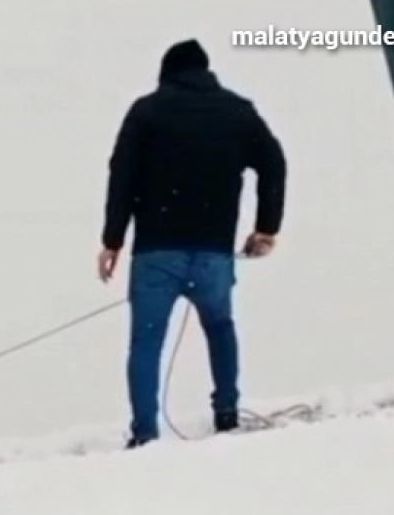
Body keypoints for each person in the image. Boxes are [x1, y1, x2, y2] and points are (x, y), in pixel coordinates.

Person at [96, 38, 287, 448]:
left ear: (166, 73)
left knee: (147, 341)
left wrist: (112, 240)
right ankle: (227, 413)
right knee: (220, 328)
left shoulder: (146, 112)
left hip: (156, 252)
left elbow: (121, 174)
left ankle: (145, 432)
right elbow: (274, 161)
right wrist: (266, 227)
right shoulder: (237, 111)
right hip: (213, 253)